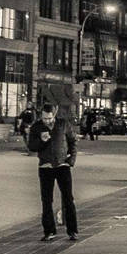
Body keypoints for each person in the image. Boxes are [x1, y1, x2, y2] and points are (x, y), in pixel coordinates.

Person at [26, 102, 78, 241]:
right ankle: (49, 231)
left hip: (63, 166)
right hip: (45, 167)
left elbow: (73, 141)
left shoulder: (63, 124)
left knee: (68, 198)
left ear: (54, 114)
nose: (47, 121)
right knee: (46, 200)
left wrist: (71, 160)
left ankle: (72, 230)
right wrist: (42, 141)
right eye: (44, 118)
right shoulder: (36, 127)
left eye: (49, 118)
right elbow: (31, 146)